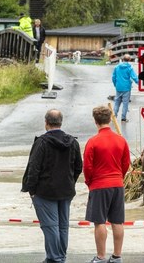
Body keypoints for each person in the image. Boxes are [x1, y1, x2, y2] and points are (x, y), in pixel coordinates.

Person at [21, 109, 83, 263]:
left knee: (50, 226)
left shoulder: (41, 142)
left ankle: (55, 258)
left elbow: (34, 167)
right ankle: (58, 256)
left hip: (45, 191)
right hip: (66, 190)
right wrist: (70, 182)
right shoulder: (73, 142)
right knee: (62, 226)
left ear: (46, 123)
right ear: (60, 122)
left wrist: (32, 190)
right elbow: (78, 167)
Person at [83, 106, 131, 263]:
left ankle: (101, 257)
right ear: (110, 119)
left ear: (95, 121)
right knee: (117, 221)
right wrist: (119, 178)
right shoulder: (121, 140)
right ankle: (117, 256)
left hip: (99, 185)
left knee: (99, 222)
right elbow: (126, 164)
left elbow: (87, 167)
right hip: (117, 184)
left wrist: (89, 182)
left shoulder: (92, 142)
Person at [112, 54, 138, 122]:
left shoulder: (117, 67)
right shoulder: (130, 68)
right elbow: (134, 77)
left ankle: (114, 117)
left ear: (122, 59)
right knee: (125, 103)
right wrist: (140, 84)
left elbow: (113, 77)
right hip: (126, 88)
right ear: (129, 60)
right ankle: (123, 118)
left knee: (117, 102)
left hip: (118, 87)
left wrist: (115, 84)